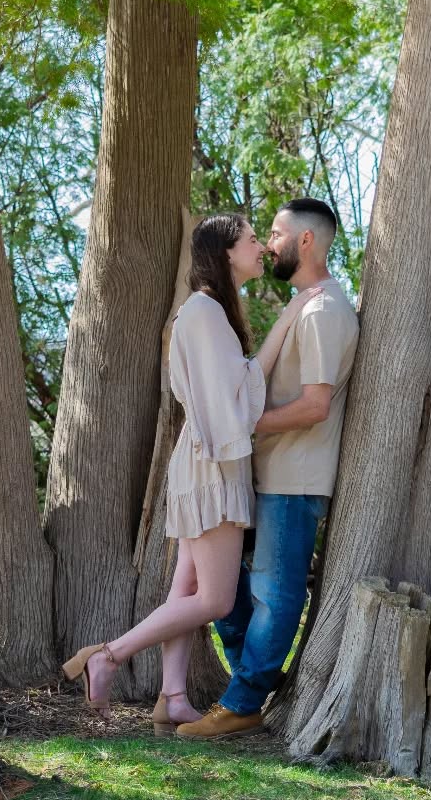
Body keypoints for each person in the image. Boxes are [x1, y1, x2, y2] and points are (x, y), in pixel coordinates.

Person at [62, 214, 321, 732]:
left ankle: (173, 697)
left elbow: (232, 385)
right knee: (216, 599)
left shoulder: (211, 313)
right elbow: (234, 397)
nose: (261, 250)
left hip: (205, 459)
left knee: (185, 587)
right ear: (225, 252)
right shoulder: (203, 312)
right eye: (251, 241)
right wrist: (292, 315)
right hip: (211, 463)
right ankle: (109, 656)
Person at [178, 197, 359, 740]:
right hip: (262, 473)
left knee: (275, 593)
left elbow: (315, 406)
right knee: (225, 592)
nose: (267, 244)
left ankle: (242, 702)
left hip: (294, 477)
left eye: (275, 234)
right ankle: (250, 685)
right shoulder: (305, 305)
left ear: (306, 241)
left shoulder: (325, 311)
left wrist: (244, 426)